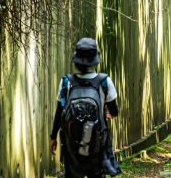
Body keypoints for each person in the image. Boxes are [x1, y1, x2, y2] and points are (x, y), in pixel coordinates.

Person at [49, 38, 121, 178]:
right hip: (96, 144)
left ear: (76, 60)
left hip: (72, 145)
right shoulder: (105, 81)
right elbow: (114, 110)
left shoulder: (66, 82)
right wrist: (111, 113)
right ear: (95, 60)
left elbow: (60, 112)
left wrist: (53, 137)